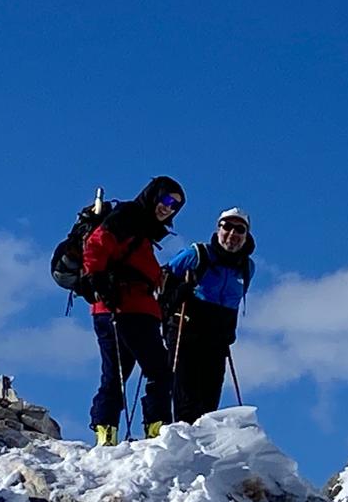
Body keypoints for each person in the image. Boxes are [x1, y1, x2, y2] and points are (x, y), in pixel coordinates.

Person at [82, 176, 185, 444]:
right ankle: (157, 430)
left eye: (175, 206)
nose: (168, 208)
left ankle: (106, 432)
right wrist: (99, 280)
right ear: (153, 195)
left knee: (115, 374)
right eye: (166, 199)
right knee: (159, 371)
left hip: (112, 309)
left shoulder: (141, 230)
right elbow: (96, 244)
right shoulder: (128, 217)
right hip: (127, 309)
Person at [162, 206, 255, 422]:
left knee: (209, 403)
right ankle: (181, 443)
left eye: (239, 230)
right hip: (186, 333)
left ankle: (201, 448)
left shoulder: (246, 267)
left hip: (217, 340)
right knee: (185, 398)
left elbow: (234, 301)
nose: (232, 234)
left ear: (246, 235)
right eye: (227, 227)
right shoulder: (197, 254)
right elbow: (162, 279)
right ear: (218, 229)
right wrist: (177, 295)